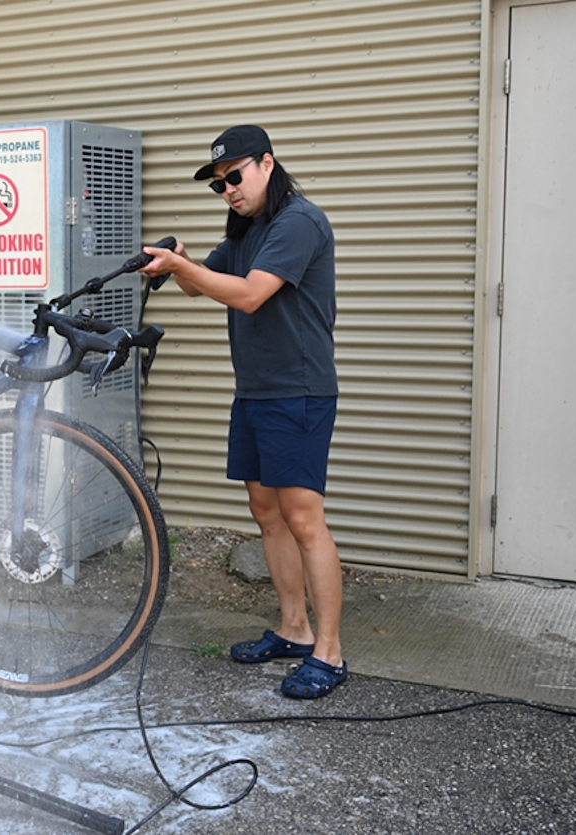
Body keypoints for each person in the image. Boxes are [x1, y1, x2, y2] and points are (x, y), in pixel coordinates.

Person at [139, 125, 346, 698]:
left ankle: (329, 654)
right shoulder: (248, 230)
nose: (228, 189)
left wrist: (185, 270)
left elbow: (251, 294)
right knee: (267, 512)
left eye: (235, 175)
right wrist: (176, 263)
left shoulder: (298, 222)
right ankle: (294, 630)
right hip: (255, 391)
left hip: (298, 391)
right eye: (218, 183)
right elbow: (205, 285)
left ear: (267, 164)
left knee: (304, 518)